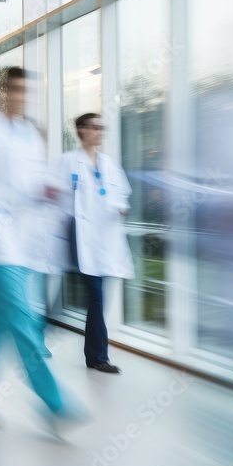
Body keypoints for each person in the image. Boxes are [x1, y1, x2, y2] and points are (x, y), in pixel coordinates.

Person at [0, 67, 84, 432]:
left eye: (26, 91)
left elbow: (31, 182)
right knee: (24, 319)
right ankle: (55, 405)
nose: (20, 97)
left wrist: (47, 189)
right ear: (2, 93)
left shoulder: (29, 134)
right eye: (14, 90)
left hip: (23, 239)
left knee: (4, 324)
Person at [55, 113, 134, 374]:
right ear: (81, 130)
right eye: (94, 127)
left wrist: (121, 207)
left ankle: (93, 354)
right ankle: (98, 357)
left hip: (105, 240)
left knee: (94, 297)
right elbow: (55, 196)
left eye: (103, 128)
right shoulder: (67, 161)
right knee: (95, 296)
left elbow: (122, 194)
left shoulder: (110, 164)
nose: (100, 132)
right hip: (79, 237)